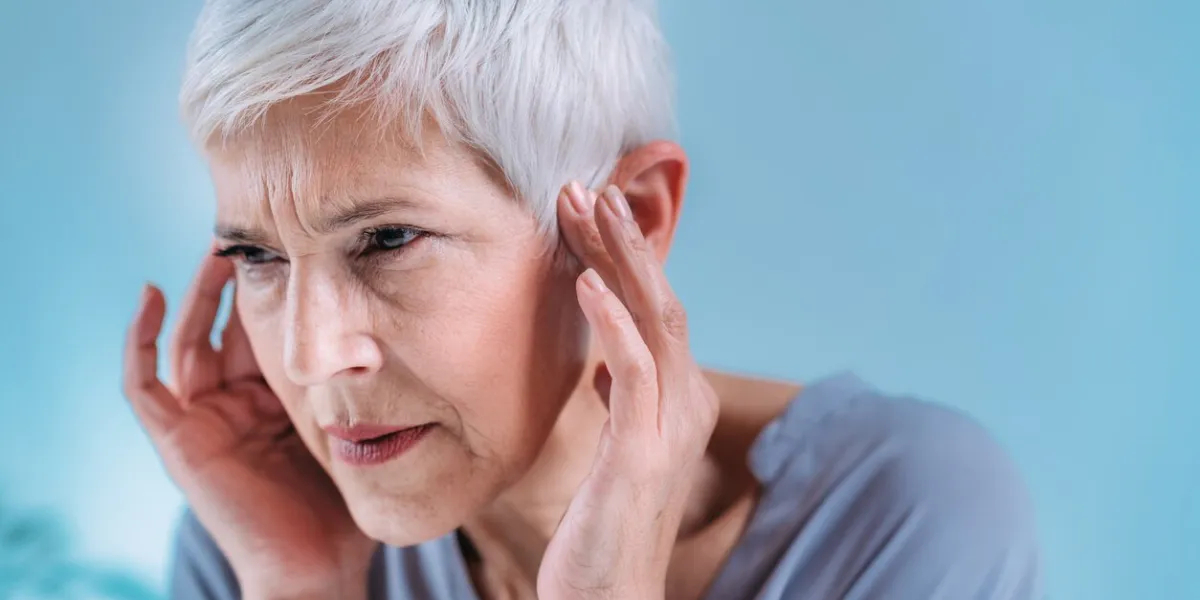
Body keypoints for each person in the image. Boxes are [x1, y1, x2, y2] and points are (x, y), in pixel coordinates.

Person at [122, 1, 1043, 598]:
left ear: (631, 217)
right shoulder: (260, 528)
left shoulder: (898, 518)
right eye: (258, 256)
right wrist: (303, 589)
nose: (310, 356)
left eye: (389, 239)